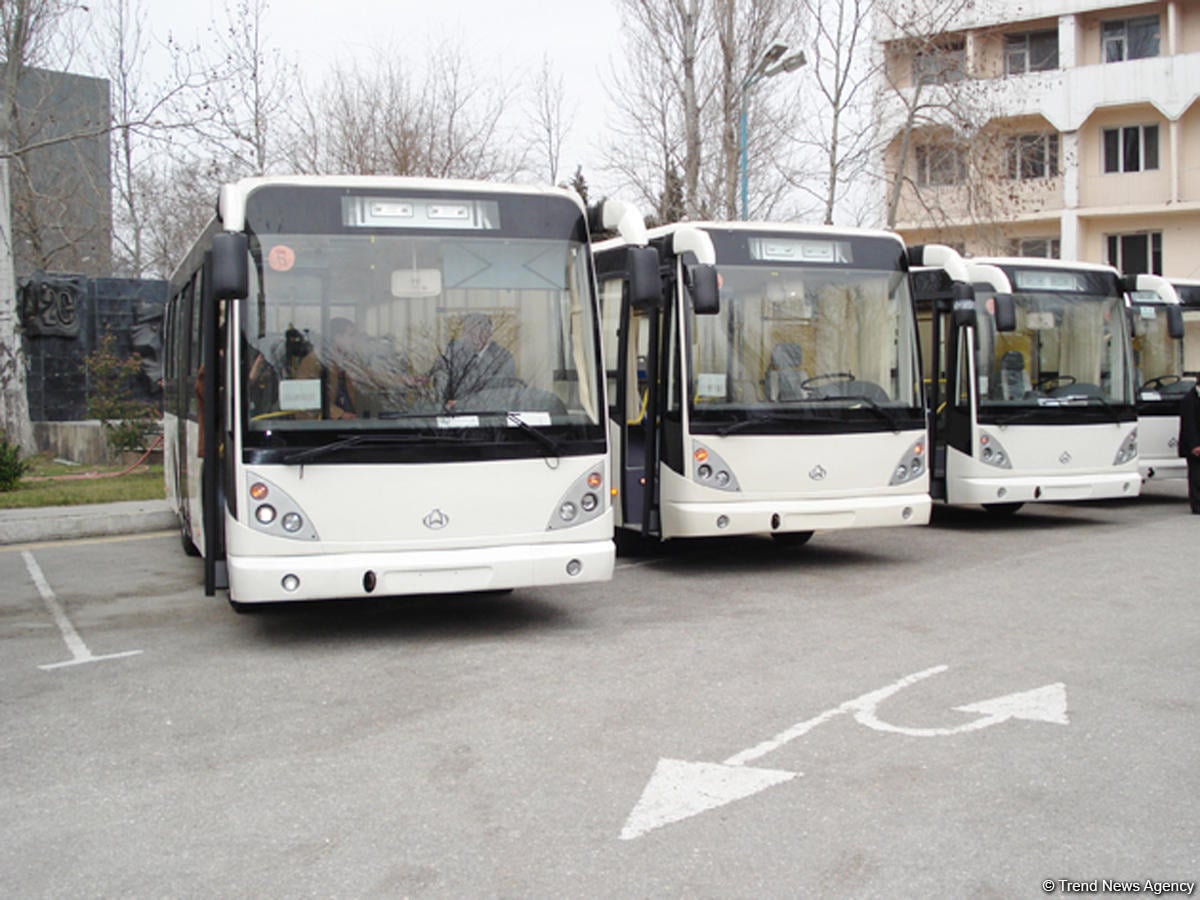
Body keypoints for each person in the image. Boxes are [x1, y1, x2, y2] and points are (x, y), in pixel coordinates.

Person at [434, 313, 516, 407]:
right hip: (457, 416)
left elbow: (498, 395)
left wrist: (463, 404)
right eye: (465, 331)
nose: (465, 337)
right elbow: (449, 383)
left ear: (486, 334)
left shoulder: (503, 358)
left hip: (490, 418)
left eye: (471, 332)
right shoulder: (460, 355)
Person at [324, 317, 360, 420]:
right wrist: (339, 414)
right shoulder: (317, 360)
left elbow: (370, 376)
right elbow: (309, 399)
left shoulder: (347, 359)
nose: (354, 340)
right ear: (337, 337)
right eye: (351, 335)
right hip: (323, 428)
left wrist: (402, 380)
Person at [1178, 381, 1200, 513]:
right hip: (1195, 445)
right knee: (1196, 476)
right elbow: (1189, 424)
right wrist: (1194, 445)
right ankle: (1197, 505)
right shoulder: (1189, 399)